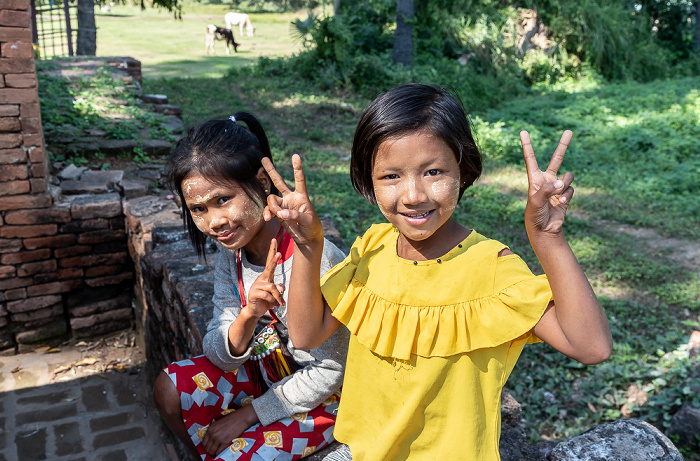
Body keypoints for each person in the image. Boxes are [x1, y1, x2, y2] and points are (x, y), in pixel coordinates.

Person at [261, 84, 613, 460]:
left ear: (463, 170)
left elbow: (591, 346)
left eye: (432, 171)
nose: (413, 195)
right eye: (391, 176)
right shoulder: (372, 247)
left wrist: (548, 239)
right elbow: (305, 332)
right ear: (369, 180)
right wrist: (309, 246)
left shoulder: (490, 267)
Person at [153, 113, 350, 461]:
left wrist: (248, 415)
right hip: (270, 367)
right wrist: (248, 315)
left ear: (261, 182)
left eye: (222, 200)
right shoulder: (232, 251)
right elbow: (218, 349)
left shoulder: (314, 257)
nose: (214, 222)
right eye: (198, 209)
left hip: (327, 397)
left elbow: (331, 371)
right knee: (169, 389)